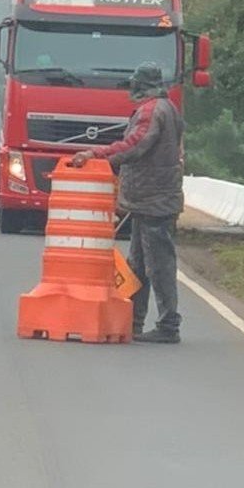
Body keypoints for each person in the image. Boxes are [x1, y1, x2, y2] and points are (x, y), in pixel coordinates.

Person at [72, 62, 184, 343]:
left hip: (153, 199)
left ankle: (168, 325)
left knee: (157, 265)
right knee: (139, 264)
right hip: (150, 199)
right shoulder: (168, 109)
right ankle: (133, 320)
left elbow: (136, 145)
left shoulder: (150, 111)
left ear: (142, 86)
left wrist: (96, 153)